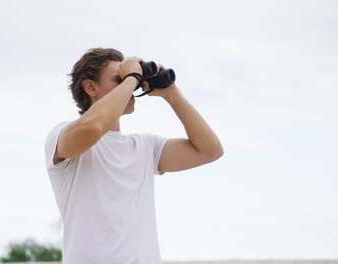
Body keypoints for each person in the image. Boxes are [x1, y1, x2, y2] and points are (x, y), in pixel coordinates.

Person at [44, 48, 224, 264]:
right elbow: (92, 127)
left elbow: (210, 150)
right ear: (91, 87)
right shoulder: (62, 135)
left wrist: (172, 94)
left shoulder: (145, 147)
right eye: (117, 80)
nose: (133, 85)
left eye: (132, 80)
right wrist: (131, 78)